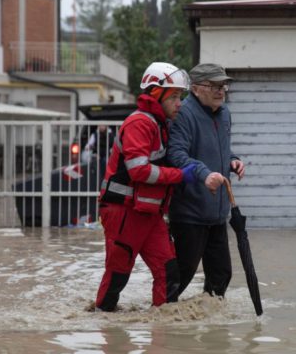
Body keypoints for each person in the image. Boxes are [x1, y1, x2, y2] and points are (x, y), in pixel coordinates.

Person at [94, 62, 221, 311]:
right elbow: (138, 170)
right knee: (118, 276)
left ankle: (163, 334)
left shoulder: (159, 123)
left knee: (169, 273)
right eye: (174, 96)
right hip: (124, 212)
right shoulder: (140, 124)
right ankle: (105, 331)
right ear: (156, 94)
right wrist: (181, 175)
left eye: (180, 97)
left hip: (148, 214)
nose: (179, 103)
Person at [167, 63, 246, 298]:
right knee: (182, 275)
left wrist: (233, 160)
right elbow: (176, 155)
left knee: (221, 275)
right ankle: (160, 323)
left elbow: (220, 150)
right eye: (213, 86)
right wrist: (204, 174)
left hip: (218, 213)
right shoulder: (183, 113)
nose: (220, 91)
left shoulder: (224, 114)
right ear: (196, 88)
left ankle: (210, 327)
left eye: (223, 85)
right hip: (190, 213)